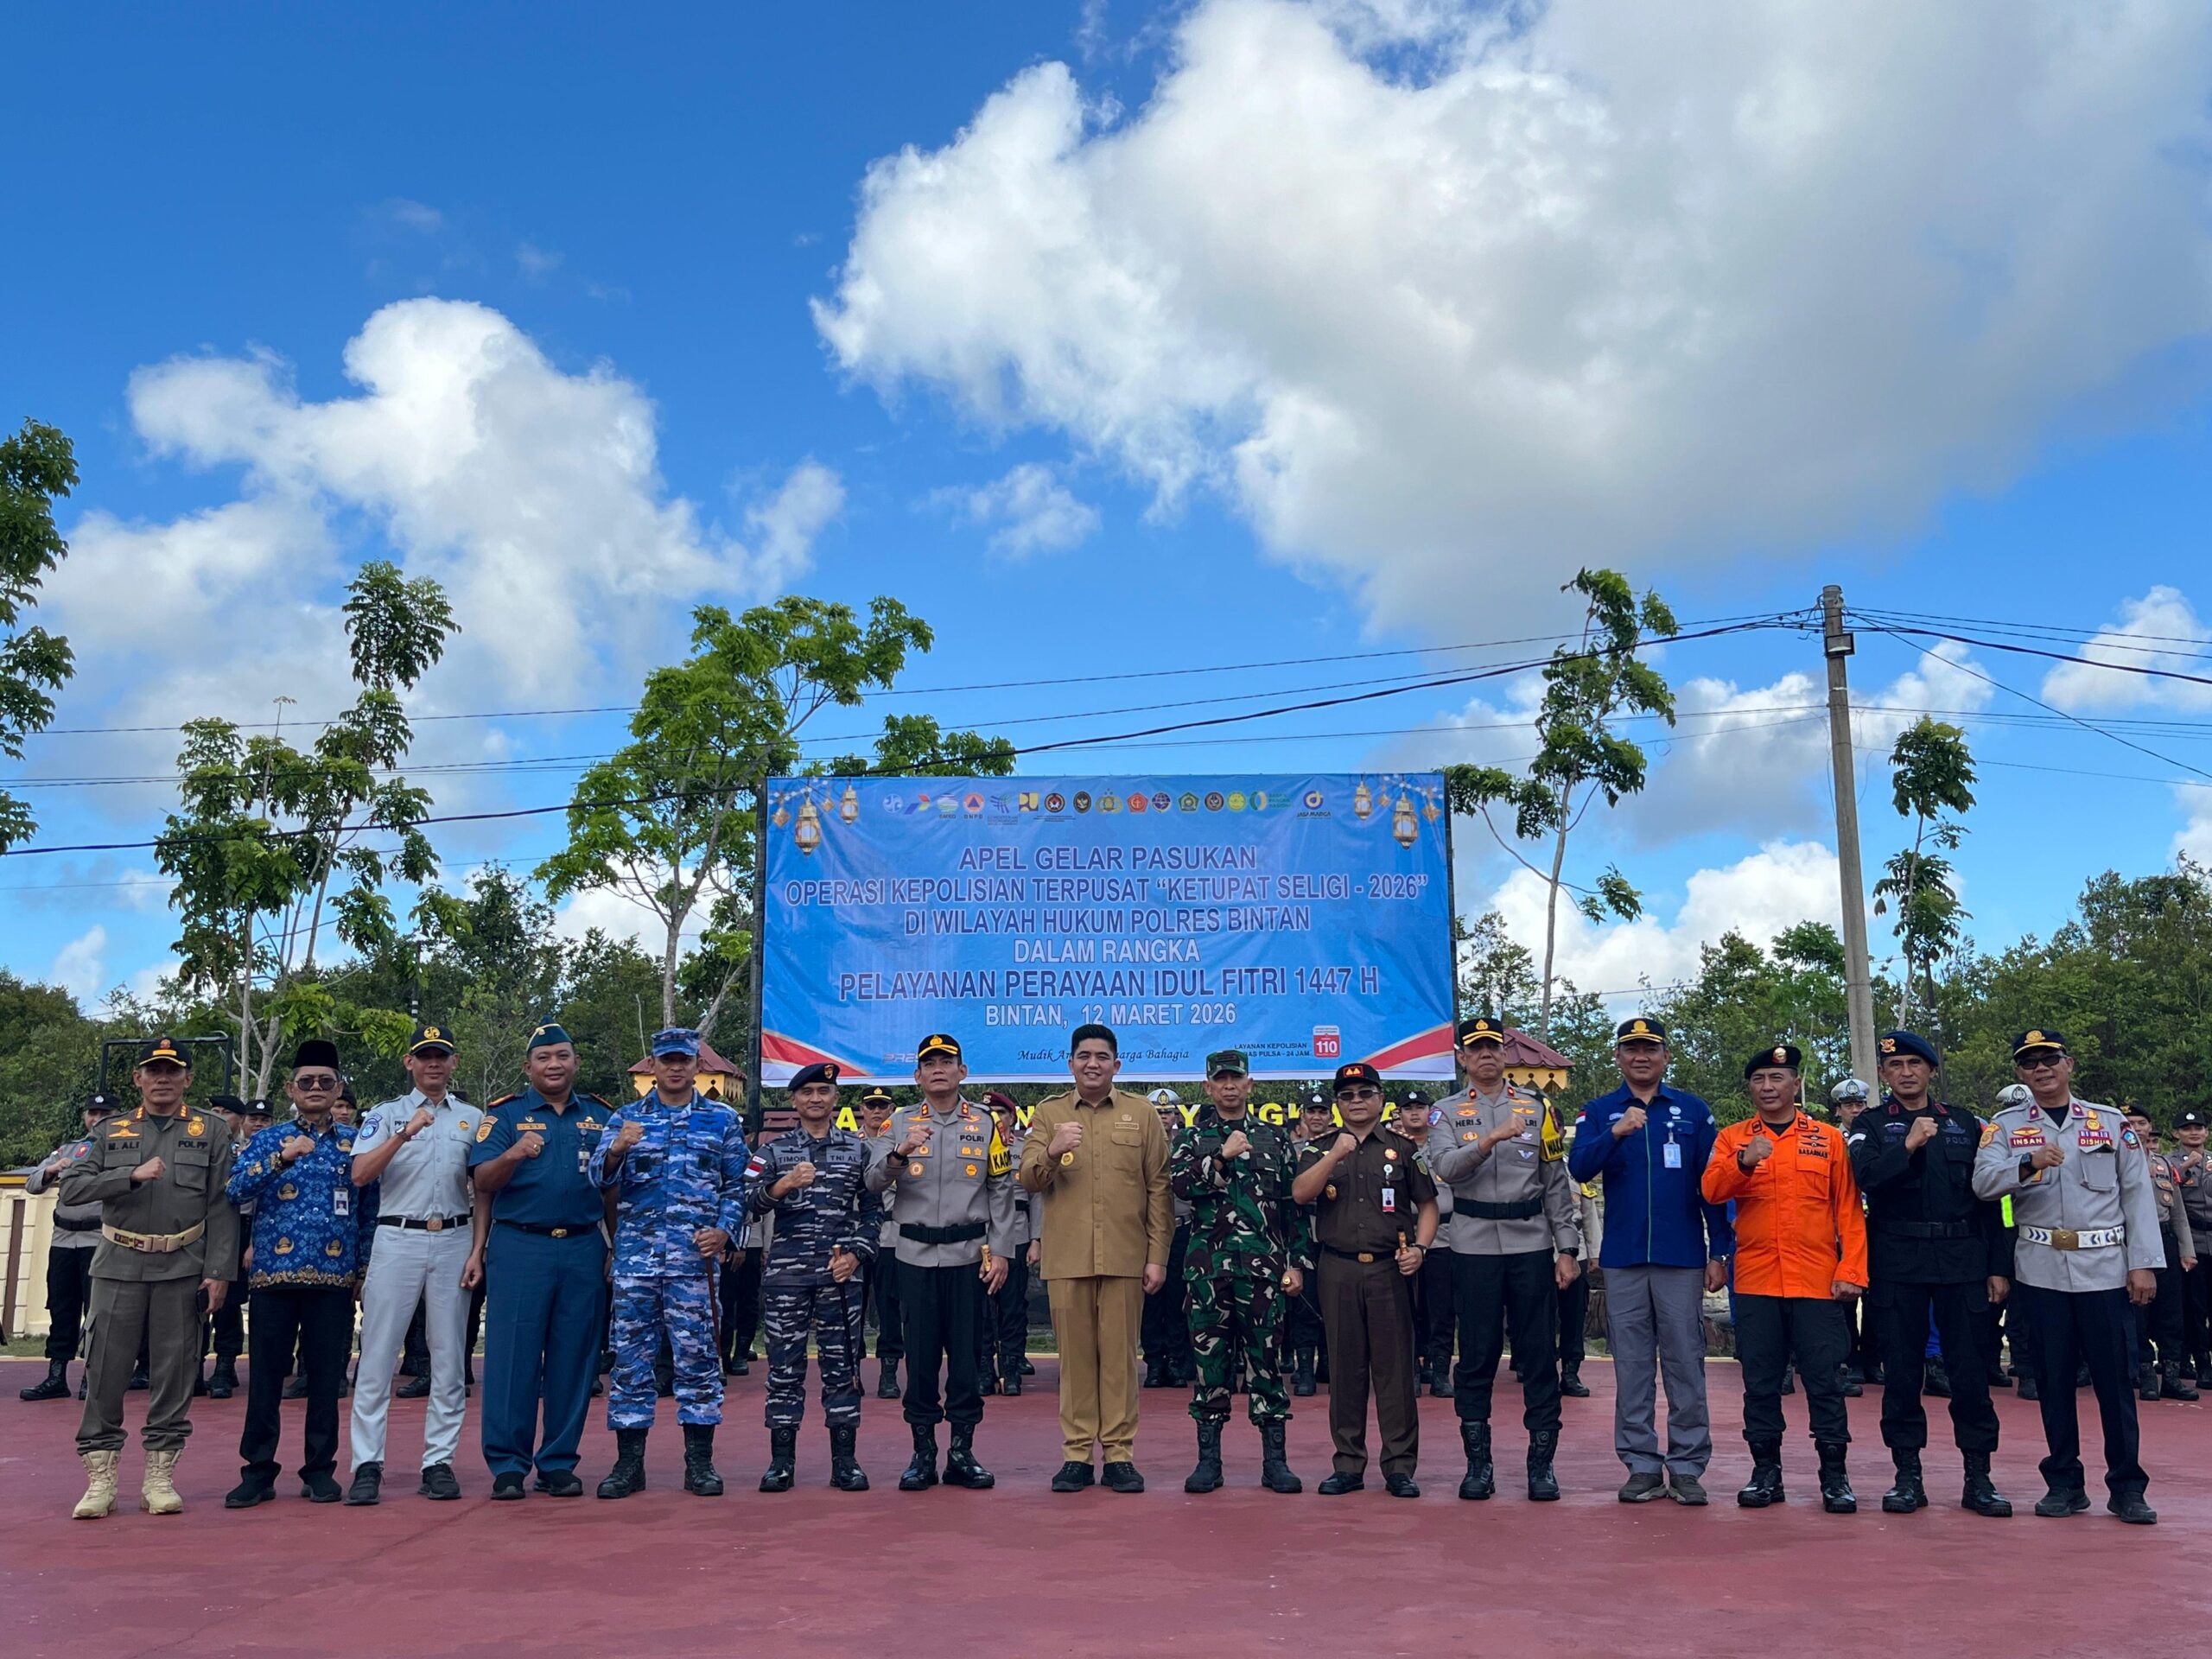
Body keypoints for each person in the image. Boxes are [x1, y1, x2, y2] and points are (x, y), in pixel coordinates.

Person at [1974, 1027, 2163, 1524]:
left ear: (2069, 1064)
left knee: (2115, 1383)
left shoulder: (2110, 1122)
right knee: (2053, 1381)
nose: (2041, 1069)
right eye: (2030, 1062)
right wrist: (2027, 1163)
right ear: (2020, 1072)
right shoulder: (2006, 1126)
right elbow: (1983, 1183)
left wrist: (2143, 1263)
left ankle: (2127, 1487)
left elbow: (2137, 1195)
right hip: (2041, 1270)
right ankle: (2064, 1482)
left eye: (2050, 1059)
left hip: (2106, 1269)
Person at [59, 1036, 238, 1518]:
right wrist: (129, 1177)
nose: (163, 1079)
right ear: (138, 1078)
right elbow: (71, 1187)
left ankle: (160, 1476)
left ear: (187, 1079)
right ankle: (100, 1479)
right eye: (154, 1071)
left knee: (176, 1370)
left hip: (182, 1266)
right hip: (118, 1264)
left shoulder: (211, 1130)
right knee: (105, 1369)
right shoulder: (110, 1130)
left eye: (172, 1071)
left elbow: (222, 1205)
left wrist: (218, 1271)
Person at [1845, 1029, 2012, 1517]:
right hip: (1899, 1260)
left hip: (1963, 1259)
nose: (1906, 1072)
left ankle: (1978, 1478)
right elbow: (1865, 1178)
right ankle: (1907, 1477)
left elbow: (1990, 1198)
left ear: (1931, 1071)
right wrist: (1909, 1146)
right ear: (1884, 1074)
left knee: (1969, 1372)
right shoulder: (1871, 1124)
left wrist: (1999, 1267)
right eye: (1895, 1066)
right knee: (1902, 1372)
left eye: (1915, 1064)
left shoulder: (1965, 1123)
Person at [1567, 1017, 1733, 1506]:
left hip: (1681, 1256)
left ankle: (1686, 1466)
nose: (1641, 1057)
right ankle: (1640, 1464)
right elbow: (1580, 1167)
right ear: (1618, 1057)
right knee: (1632, 1365)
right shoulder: (1600, 1111)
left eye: (1650, 1049)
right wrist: (1616, 1132)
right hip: (1624, 1257)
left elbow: (1712, 1186)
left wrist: (1720, 1251)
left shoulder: (1692, 1110)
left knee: (1686, 1362)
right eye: (1632, 1049)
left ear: (1665, 1056)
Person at [1704, 1045, 1866, 1514]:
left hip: (1817, 1282)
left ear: (1796, 1084)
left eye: (1778, 1078)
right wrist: (1743, 1162)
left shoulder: (1827, 1139)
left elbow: (1848, 1210)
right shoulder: (1733, 1138)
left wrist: (1851, 1271)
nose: (1768, 1087)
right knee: (1760, 1383)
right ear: (1750, 1088)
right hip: (1756, 1282)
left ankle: (1834, 1477)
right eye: (1759, 1079)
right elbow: (1711, 1190)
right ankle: (1765, 1474)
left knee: (1825, 1382)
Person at [591, 1027, 749, 1498]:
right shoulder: (625, 1117)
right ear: (654, 1066)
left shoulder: (722, 1120)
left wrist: (725, 1231)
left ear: (697, 1065)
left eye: (684, 1060)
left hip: (694, 1265)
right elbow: (596, 1178)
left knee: (699, 1360)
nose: (676, 1068)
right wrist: (617, 1149)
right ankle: (629, 1465)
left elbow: (738, 1186)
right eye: (667, 1061)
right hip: (636, 1265)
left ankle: (699, 1464)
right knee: (630, 1363)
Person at [1428, 1016, 1580, 1503]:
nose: (1486, 1056)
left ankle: (1542, 1465)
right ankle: (1479, 1465)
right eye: (1476, 1049)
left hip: (1530, 1243)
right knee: (1476, 1354)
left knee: (1537, 1354)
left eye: (1493, 1047)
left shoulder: (1538, 1109)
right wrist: (1490, 1139)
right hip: (1472, 1246)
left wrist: (1567, 1248)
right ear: (1462, 1058)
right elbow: (1446, 1168)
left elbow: (1555, 1184)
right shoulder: (1445, 1113)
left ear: (1503, 1054)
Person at [1020, 1024, 1175, 1494]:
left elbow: (1159, 1188)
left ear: (1116, 1064)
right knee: (1075, 1363)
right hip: (1068, 1258)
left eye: (1102, 1057)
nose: (1093, 1064)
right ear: (1070, 1063)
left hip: (1126, 1257)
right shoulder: (1048, 1114)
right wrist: (1052, 1151)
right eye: (1084, 1056)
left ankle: (1120, 1455)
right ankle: (1076, 1455)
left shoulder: (1141, 1113)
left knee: (1121, 1362)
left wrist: (1157, 1255)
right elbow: (1028, 1180)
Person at [220, 1039, 374, 1507]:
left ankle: (320, 1470)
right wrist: (282, 1158)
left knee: (326, 1381)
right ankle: (258, 1471)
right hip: (274, 1276)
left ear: (339, 1089)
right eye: (306, 1081)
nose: (315, 1088)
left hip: (334, 1278)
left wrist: (363, 1268)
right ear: (290, 1088)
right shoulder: (269, 1139)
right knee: (266, 1378)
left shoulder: (356, 1142)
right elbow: (234, 1190)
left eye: (326, 1081)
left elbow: (369, 1210)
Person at [463, 1022, 611, 1500]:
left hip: (583, 1247)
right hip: (521, 1246)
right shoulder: (505, 1115)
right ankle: (508, 1464)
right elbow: (483, 1181)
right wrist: (513, 1154)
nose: (554, 1064)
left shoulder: (600, 1116)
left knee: (575, 1357)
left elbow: (613, 1188)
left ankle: (558, 1462)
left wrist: (615, 1245)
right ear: (528, 1067)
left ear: (576, 1063)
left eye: (562, 1056)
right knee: (512, 1357)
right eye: (544, 1057)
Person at [868, 1033, 1020, 1491]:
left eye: (947, 1062)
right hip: (913, 1255)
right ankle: (922, 1453)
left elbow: (1000, 1190)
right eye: (930, 1063)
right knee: (920, 1357)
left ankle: (961, 1451)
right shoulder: (898, 1123)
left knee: (968, 1356)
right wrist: (900, 1152)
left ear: (962, 1072)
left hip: (970, 1256)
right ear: (917, 1075)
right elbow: (873, 1181)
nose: (938, 1069)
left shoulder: (985, 1124)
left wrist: (1003, 1252)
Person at [344, 1021, 484, 1506]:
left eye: (442, 1056)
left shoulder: (472, 1118)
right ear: (410, 1063)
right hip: (397, 1236)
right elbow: (360, 1174)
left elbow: (483, 1186)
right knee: (378, 1353)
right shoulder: (385, 1115)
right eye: (425, 1056)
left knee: (449, 1356)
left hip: (454, 1236)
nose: (433, 1064)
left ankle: (438, 1462)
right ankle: (367, 1463)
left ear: (454, 1062)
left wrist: (478, 1248)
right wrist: (405, 1133)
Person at [1291, 1061, 1437, 1497]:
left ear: (1380, 1099)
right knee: (1344, 1367)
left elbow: (1428, 1205)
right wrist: (1335, 1154)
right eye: (1347, 1096)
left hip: (1390, 1268)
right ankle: (1348, 1463)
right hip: (1337, 1267)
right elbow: (1300, 1194)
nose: (1356, 1101)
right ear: (1338, 1104)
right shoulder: (1319, 1149)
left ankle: (1399, 1466)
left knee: (1394, 1369)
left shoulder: (1403, 1149)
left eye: (1365, 1093)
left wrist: (1421, 1249)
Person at [1171, 1048, 1308, 1496]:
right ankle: (1208, 1462)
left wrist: (1295, 1263)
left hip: (1264, 1271)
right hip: (1208, 1271)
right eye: (1220, 1079)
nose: (1229, 1086)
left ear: (1250, 1085)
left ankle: (1275, 1462)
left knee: (1265, 1364)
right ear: (1207, 1087)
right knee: (1210, 1367)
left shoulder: (1273, 1138)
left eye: (1236, 1079)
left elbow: (1291, 1205)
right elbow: (1179, 1186)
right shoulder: (1192, 1138)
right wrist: (1220, 1158)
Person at [748, 1060, 881, 1493]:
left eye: (824, 1092)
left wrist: (857, 1255)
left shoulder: (858, 1150)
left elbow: (874, 1212)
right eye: (807, 1092)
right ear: (794, 1100)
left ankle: (845, 1462)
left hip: (839, 1277)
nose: (816, 1098)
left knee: (842, 1368)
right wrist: (782, 1185)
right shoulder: (772, 1151)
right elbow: (746, 1202)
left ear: (835, 1099)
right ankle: (781, 1462)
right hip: (787, 1276)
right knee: (783, 1370)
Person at [19, 1096, 112, 1404]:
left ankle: (93, 1377)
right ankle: (56, 1376)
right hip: (63, 1239)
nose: (97, 1119)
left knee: (96, 1311)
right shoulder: (69, 1149)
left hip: (98, 1238)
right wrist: (53, 1170)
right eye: (92, 1113)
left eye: (105, 1114)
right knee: (61, 1308)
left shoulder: (121, 1150)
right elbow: (32, 1183)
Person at [2122, 1105, 2196, 1402]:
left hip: (2165, 1241)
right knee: (2138, 1312)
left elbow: (2178, 1212)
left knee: (2171, 1311)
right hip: (2130, 1241)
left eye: (2141, 1123)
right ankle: (2145, 1376)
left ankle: (2172, 1376)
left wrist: (2186, 1250)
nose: (2136, 1128)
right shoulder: (2112, 1162)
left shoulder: (2163, 1164)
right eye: (2129, 1123)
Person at [1392, 1086, 1456, 1396]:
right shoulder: (1393, 1148)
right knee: (1407, 1308)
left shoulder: (1445, 1145)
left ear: (1430, 1112)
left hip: (1443, 1237)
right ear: (1399, 1114)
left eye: (1420, 1107)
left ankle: (1440, 1370)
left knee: (1442, 1308)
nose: (1415, 1113)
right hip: (1404, 1239)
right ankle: (1413, 1370)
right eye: (1408, 1108)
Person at [1141, 1087, 1196, 1389]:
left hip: (1181, 1228)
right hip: (1148, 1231)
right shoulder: (1139, 1145)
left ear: (1177, 1115)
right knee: (1150, 1299)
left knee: (1177, 1298)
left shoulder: (1187, 1145)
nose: (1163, 1117)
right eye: (1158, 1112)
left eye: (1168, 1112)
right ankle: (1154, 1362)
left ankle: (1176, 1361)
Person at [982, 1090, 1033, 1395]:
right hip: (980, 1238)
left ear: (1012, 1117)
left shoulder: (1025, 1150)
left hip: (1017, 1234)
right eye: (990, 1113)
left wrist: (1037, 1239)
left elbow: (1037, 1198)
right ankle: (984, 1369)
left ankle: (1011, 1368)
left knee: (1012, 1307)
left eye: (1001, 1113)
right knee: (981, 1308)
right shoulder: (973, 1145)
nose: (996, 1118)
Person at [1285, 1091, 1336, 1395]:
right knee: (1303, 1302)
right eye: (1312, 1111)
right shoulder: (1290, 1151)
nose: (1317, 1117)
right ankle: (1304, 1368)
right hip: (1301, 1232)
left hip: (1333, 1231)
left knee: (1333, 1302)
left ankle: (1328, 1362)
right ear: (1302, 1115)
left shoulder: (1341, 1147)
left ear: (1331, 1115)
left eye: (1323, 1111)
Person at [855, 1085, 904, 1397]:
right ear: (862, 1110)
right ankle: (852, 1371)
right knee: (852, 1308)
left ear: (891, 1110)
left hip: (890, 1236)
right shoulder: (849, 1145)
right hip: (856, 1236)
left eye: (882, 1106)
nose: (876, 1111)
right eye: (871, 1106)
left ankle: (889, 1373)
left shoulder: (901, 1146)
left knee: (890, 1307)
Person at [2171, 1106, 2212, 1386]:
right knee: (2195, 1307)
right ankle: (2202, 1364)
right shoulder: (2170, 1162)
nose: (2194, 1133)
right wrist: (2187, 1166)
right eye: (2187, 1129)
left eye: (2199, 1128)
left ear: (2206, 1133)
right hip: (2192, 1241)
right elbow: (2164, 1185)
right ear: (2177, 1134)